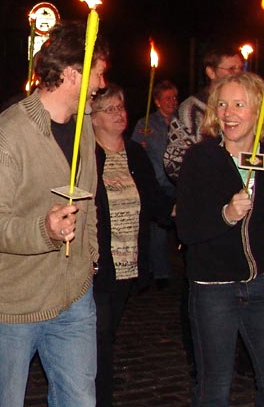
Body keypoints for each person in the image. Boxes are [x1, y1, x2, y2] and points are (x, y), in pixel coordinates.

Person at [0, 21, 108, 407]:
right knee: (5, 401)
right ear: (71, 74)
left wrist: (89, 259)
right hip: (13, 304)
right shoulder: (7, 135)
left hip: (74, 296)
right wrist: (43, 229)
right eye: (97, 72)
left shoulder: (84, 129)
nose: (101, 82)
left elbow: (88, 201)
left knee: (80, 400)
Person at [176, 72, 264, 406]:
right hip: (214, 288)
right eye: (223, 104)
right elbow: (186, 228)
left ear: (257, 110)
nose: (228, 113)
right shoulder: (201, 158)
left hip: (261, 285)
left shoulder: (263, 157)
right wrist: (225, 215)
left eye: (239, 104)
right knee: (215, 385)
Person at [92, 84, 174, 407]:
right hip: (96, 264)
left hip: (127, 263)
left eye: (121, 107)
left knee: (108, 333)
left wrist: (194, 208)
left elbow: (155, 201)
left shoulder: (135, 153)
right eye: (109, 109)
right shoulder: (86, 155)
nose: (119, 114)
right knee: (98, 338)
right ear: (93, 118)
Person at [164, 46, 243, 182]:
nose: (238, 74)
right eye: (231, 69)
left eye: (240, 68)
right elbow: (174, 162)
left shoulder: (247, 107)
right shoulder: (191, 110)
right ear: (211, 72)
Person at [132, 80, 179, 286]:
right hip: (158, 183)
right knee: (158, 231)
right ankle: (159, 273)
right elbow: (134, 151)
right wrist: (140, 146)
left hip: (180, 183)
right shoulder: (146, 125)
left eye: (175, 97)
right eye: (168, 98)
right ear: (158, 101)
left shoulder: (183, 122)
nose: (173, 102)